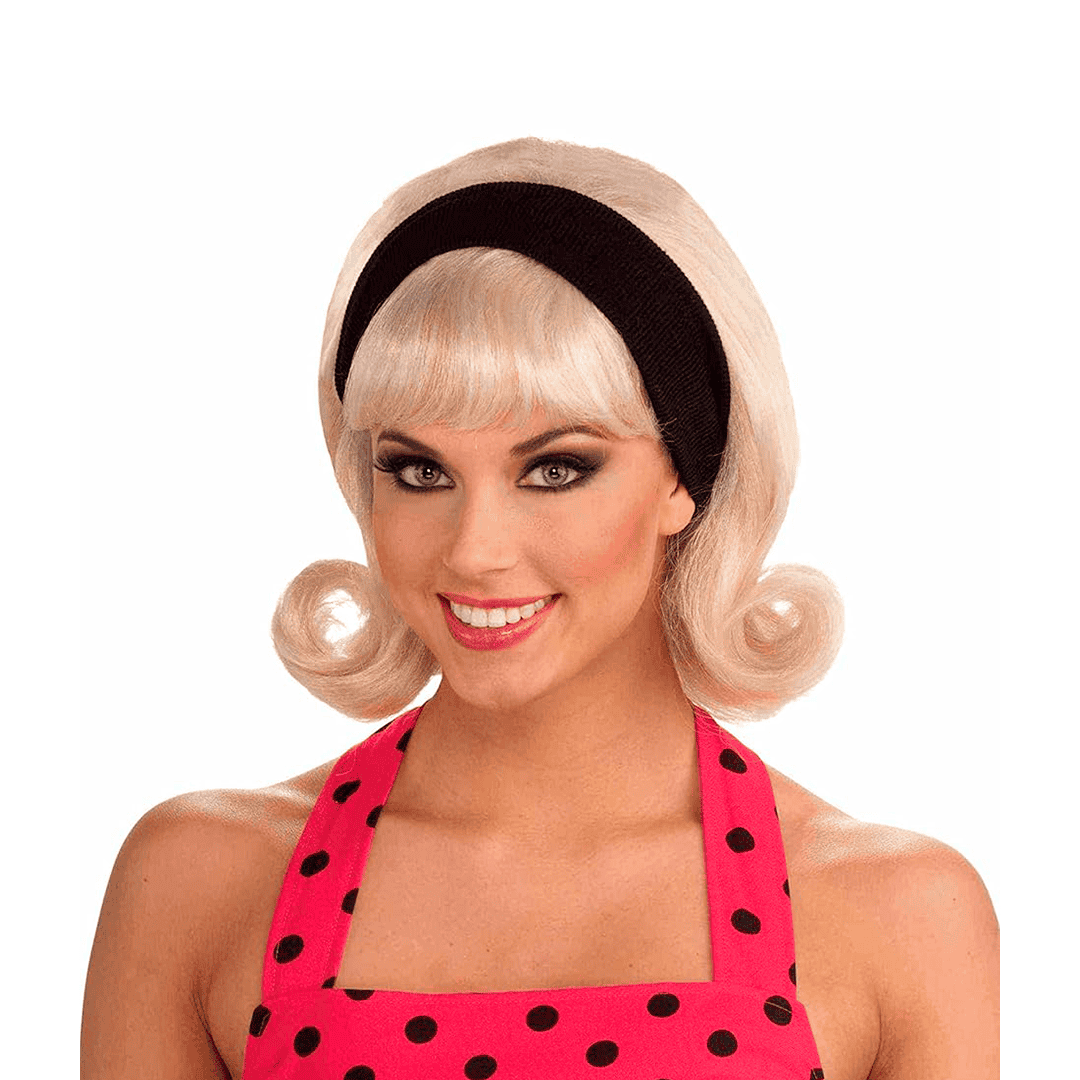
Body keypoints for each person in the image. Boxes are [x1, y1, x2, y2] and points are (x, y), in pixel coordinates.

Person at [82, 138, 999, 1079]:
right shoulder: (199, 883)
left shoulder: (896, 913)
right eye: (419, 471)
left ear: (685, 477)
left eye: (556, 469)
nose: (474, 550)